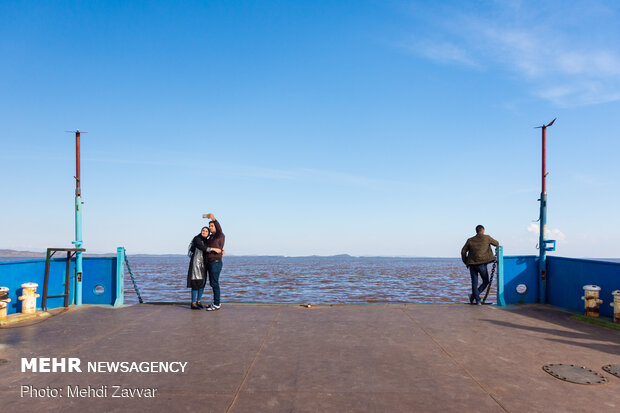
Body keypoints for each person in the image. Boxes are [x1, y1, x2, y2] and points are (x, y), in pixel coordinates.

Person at [461, 225, 499, 305]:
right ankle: (475, 296)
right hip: (481, 264)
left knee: (474, 283)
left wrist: (466, 261)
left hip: (472, 264)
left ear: (476, 231)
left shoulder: (470, 240)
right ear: (483, 231)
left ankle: (477, 299)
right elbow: (497, 243)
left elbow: (463, 251)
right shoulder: (487, 238)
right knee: (486, 281)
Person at [187, 226, 221, 310]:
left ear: (208, 233)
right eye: (203, 230)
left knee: (202, 283)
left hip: (204, 265)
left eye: (206, 231)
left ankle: (199, 301)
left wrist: (220, 250)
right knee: (195, 283)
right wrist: (213, 249)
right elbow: (202, 247)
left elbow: (211, 248)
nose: (204, 232)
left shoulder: (207, 240)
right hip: (196, 264)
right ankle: (193, 303)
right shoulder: (197, 239)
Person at [204, 213, 225, 311]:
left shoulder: (219, 235)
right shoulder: (211, 237)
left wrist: (213, 218)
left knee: (215, 283)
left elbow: (218, 227)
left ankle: (217, 304)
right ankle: (216, 302)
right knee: (212, 283)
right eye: (209, 226)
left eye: (212, 226)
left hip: (216, 263)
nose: (210, 227)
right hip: (210, 262)